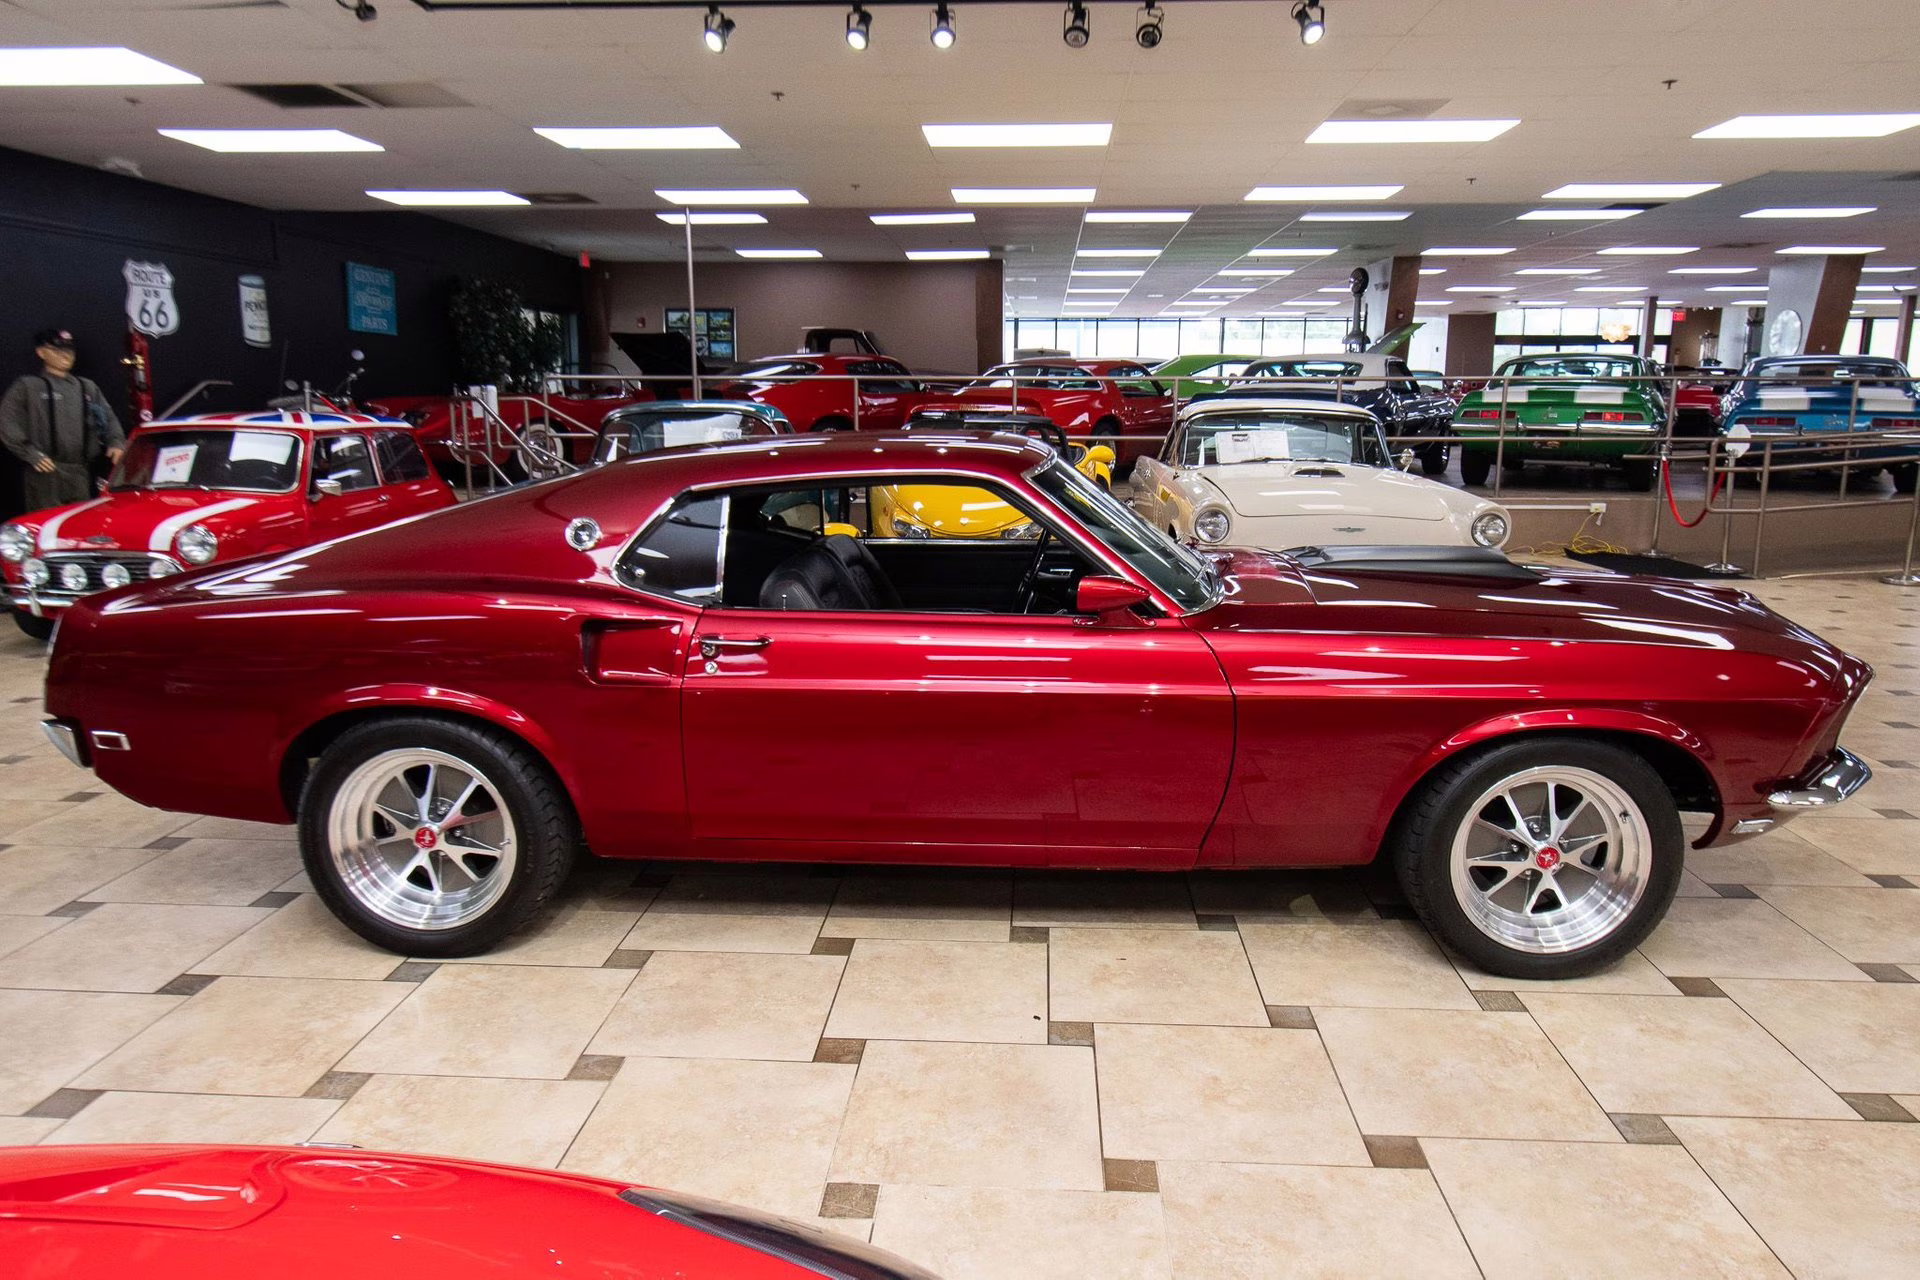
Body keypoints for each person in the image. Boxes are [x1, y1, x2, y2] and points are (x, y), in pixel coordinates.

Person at [0, 328, 127, 513]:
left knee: (80, 520)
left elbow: (107, 417)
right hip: (46, 472)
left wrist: (116, 442)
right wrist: (30, 453)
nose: (65, 355)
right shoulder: (28, 386)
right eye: (57, 350)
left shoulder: (86, 387)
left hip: (80, 471)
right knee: (46, 521)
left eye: (69, 350)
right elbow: (7, 421)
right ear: (41, 352)